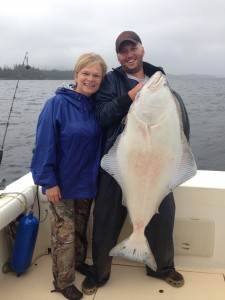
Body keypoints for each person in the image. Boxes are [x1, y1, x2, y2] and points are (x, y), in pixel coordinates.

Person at [82, 31, 190, 295]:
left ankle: (162, 267)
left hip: (157, 163)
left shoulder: (160, 81)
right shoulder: (110, 81)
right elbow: (102, 116)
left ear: (142, 50)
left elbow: (180, 123)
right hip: (120, 161)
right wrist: (128, 97)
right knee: (106, 218)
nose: (129, 55)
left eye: (133, 49)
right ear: (118, 56)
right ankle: (99, 272)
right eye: (123, 51)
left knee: (163, 217)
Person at [30, 53, 107, 300]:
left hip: (87, 184)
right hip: (61, 186)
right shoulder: (56, 104)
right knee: (64, 235)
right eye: (86, 73)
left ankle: (77, 262)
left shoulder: (96, 107)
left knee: (81, 229)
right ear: (76, 75)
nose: (91, 79)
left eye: (96, 75)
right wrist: (48, 181)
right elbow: (44, 145)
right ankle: (63, 281)